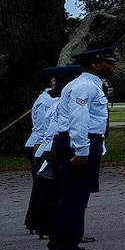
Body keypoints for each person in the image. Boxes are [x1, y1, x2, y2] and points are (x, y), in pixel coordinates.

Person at [49, 45, 116, 250]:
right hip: (80, 142)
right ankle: (65, 248)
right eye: (108, 62)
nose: (113, 65)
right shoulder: (84, 86)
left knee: (73, 196)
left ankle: (64, 243)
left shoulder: (89, 84)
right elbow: (79, 120)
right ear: (94, 64)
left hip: (82, 141)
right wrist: (81, 150)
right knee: (73, 198)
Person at [25, 67, 73, 238]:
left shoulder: (53, 100)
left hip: (45, 146)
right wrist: (40, 151)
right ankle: (42, 225)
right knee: (48, 190)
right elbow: (45, 128)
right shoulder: (48, 101)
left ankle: (37, 223)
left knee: (43, 189)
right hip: (45, 146)